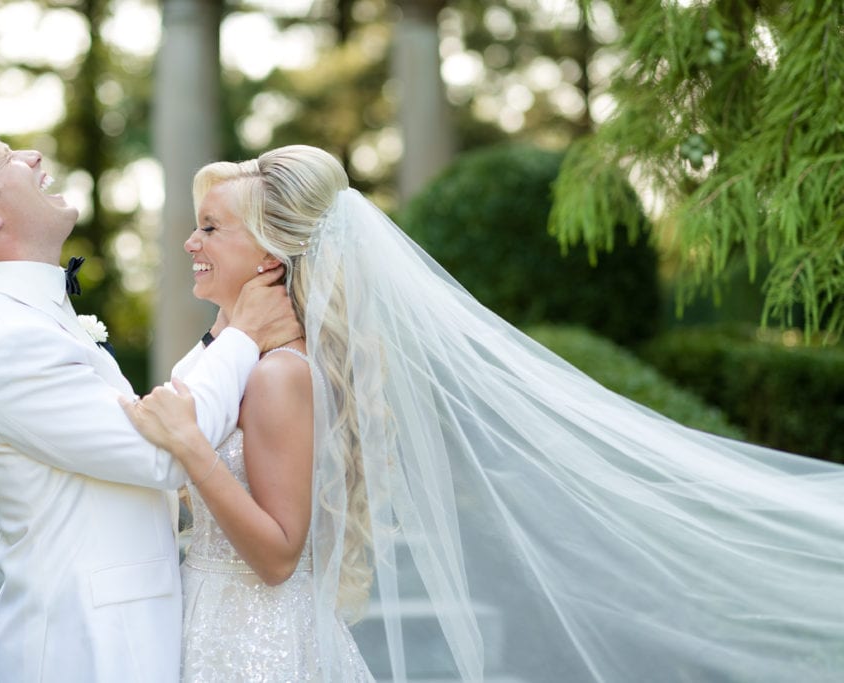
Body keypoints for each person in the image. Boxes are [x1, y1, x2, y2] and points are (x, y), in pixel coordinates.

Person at [123, 144, 844, 683]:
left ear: (270, 256)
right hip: (218, 620)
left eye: (212, 229)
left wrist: (195, 451)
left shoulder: (281, 376)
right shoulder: (255, 359)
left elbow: (280, 553)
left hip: (254, 644)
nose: (191, 242)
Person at [0, 125, 301, 683]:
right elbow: (162, 455)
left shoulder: (30, 318)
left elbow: (154, 419)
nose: (33, 154)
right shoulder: (6, 340)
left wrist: (222, 335)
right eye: (8, 156)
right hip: (88, 646)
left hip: (131, 629)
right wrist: (245, 335)